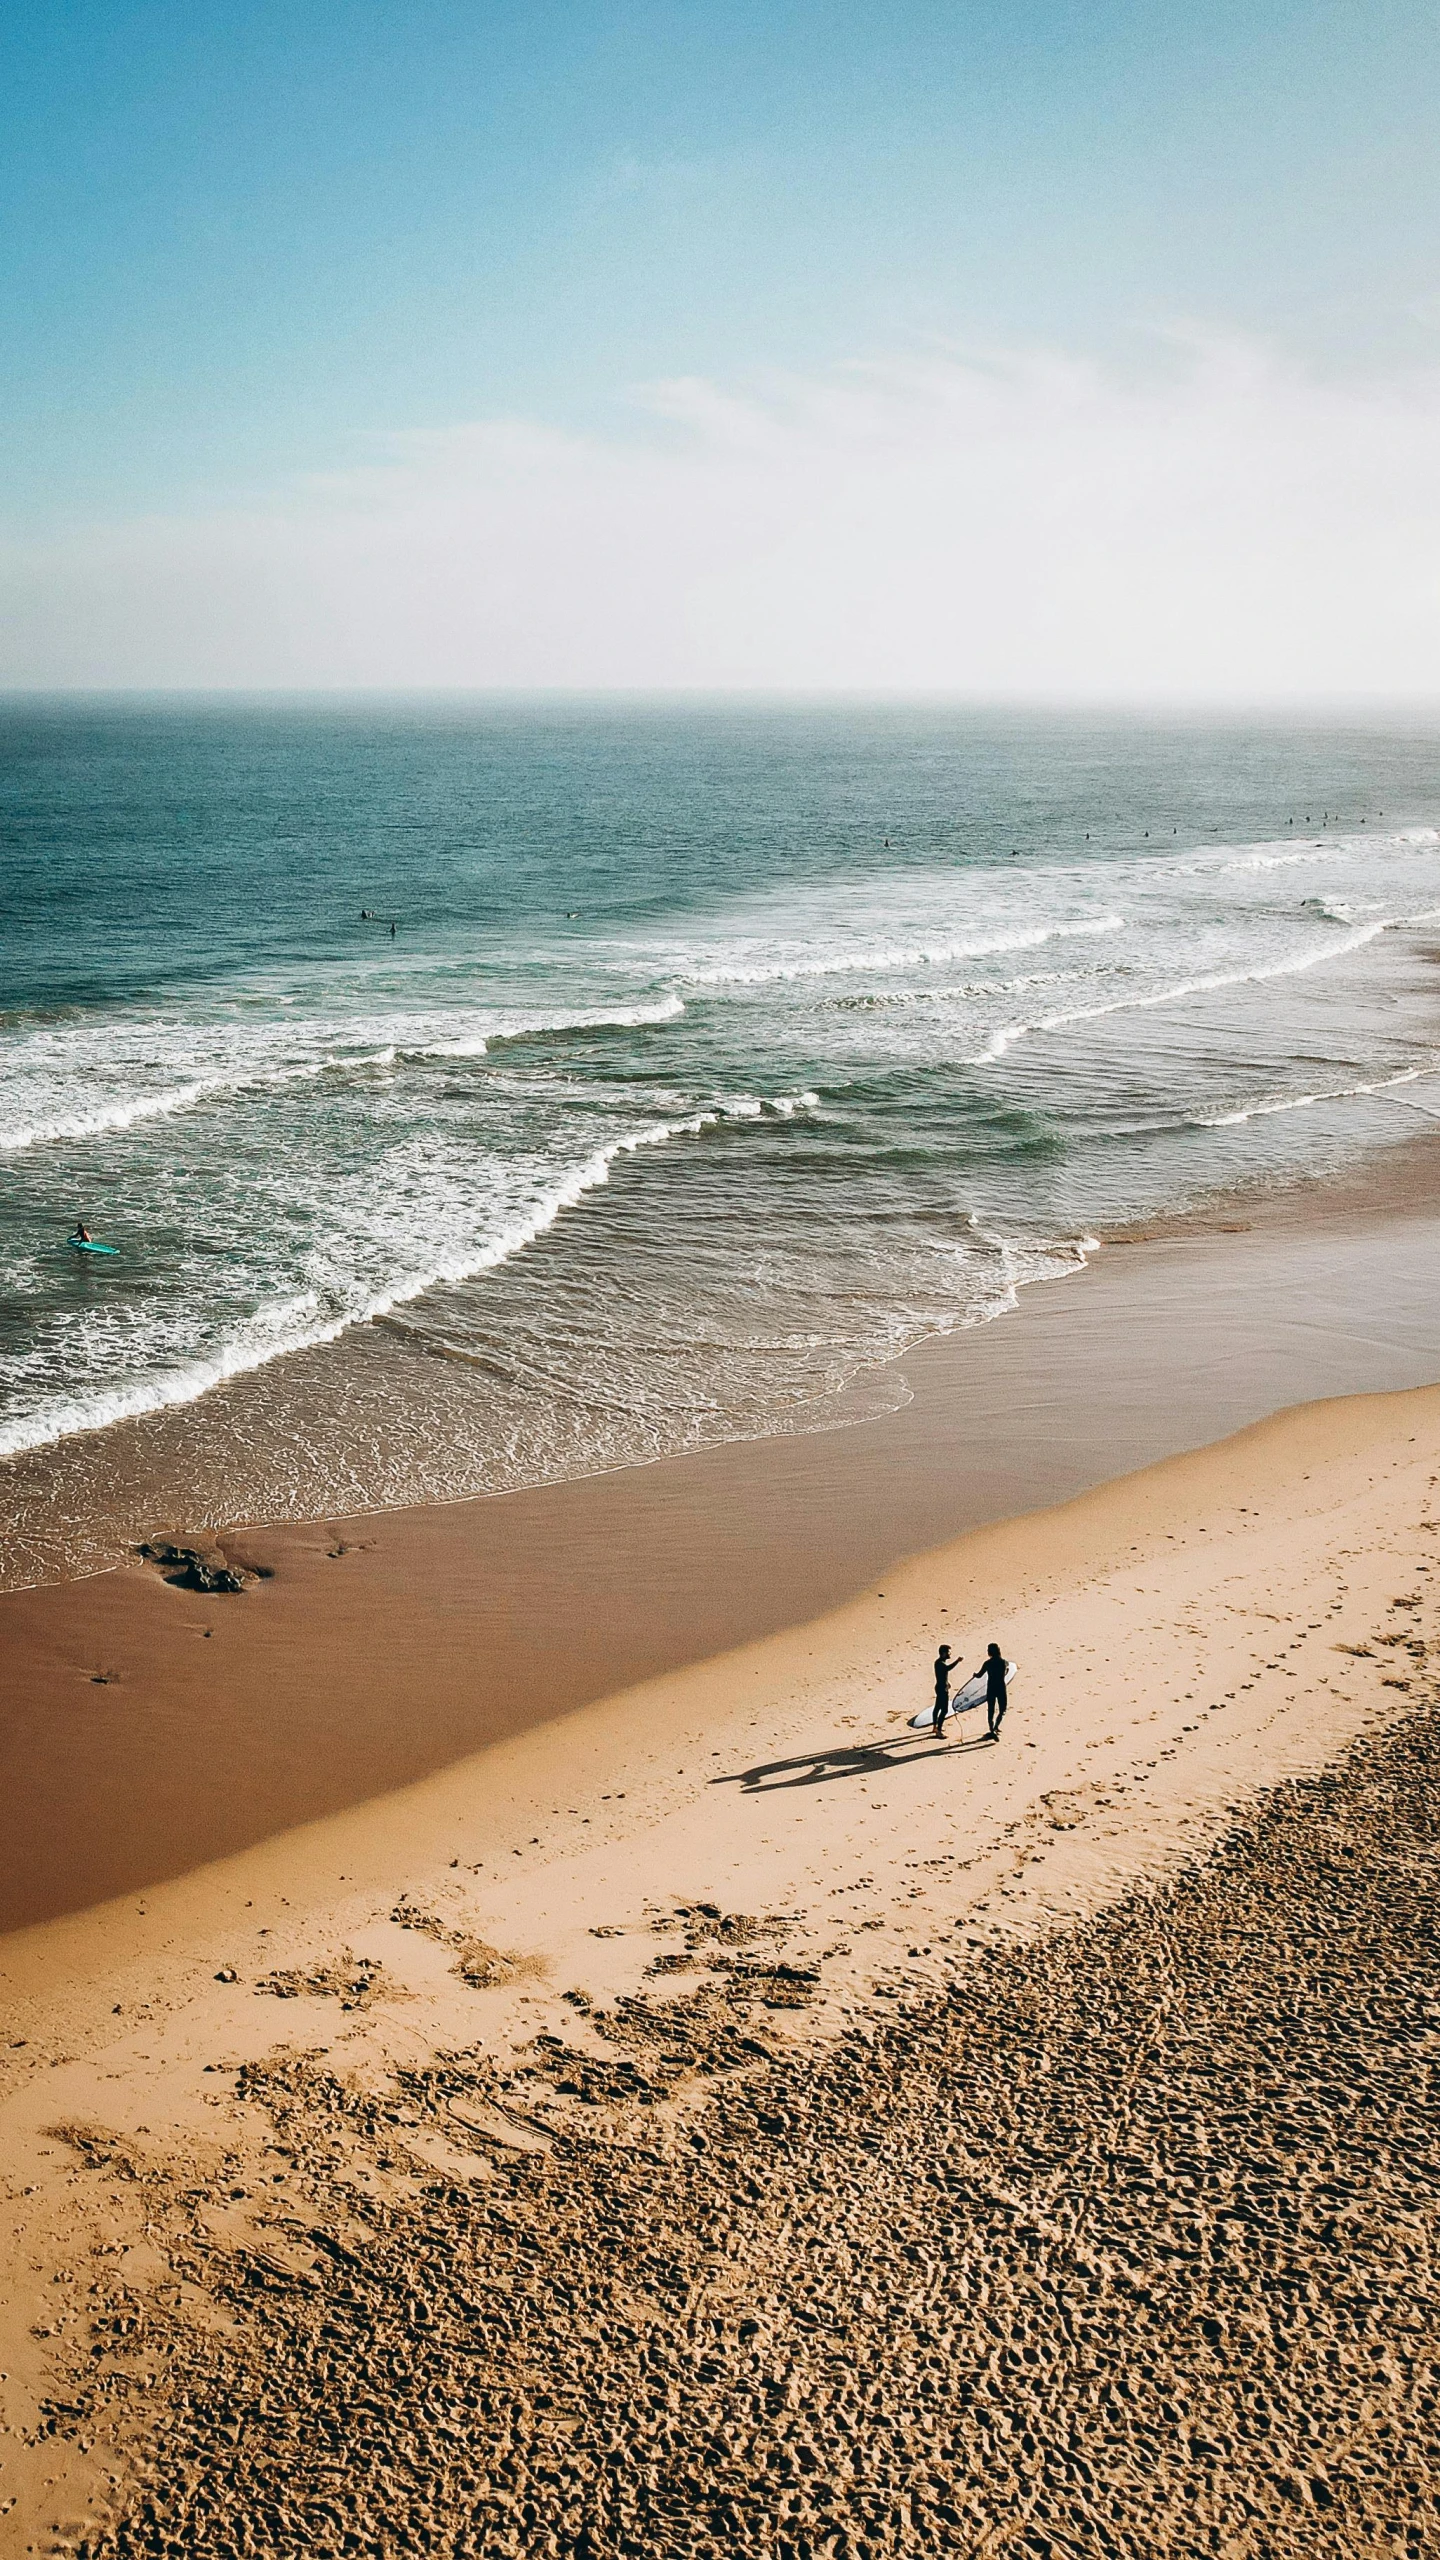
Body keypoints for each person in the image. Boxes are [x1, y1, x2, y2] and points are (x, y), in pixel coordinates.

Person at [976, 1642, 1008, 1740]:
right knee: (1002, 1709)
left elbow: (979, 1675)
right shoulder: (1004, 1662)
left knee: (991, 1710)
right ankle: (996, 1726)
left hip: (991, 1688)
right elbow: (1006, 1672)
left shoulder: (987, 1663)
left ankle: (991, 1729)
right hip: (1001, 1688)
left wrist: (974, 1675)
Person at [931, 1643, 955, 1738]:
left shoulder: (938, 1662)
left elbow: (942, 1674)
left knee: (937, 1708)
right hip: (942, 1689)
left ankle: (934, 1727)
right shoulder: (940, 1663)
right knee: (944, 1710)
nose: (950, 1654)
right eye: (949, 1652)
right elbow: (947, 1669)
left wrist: (947, 1682)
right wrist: (957, 1661)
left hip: (940, 1686)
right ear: (944, 1653)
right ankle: (939, 1731)